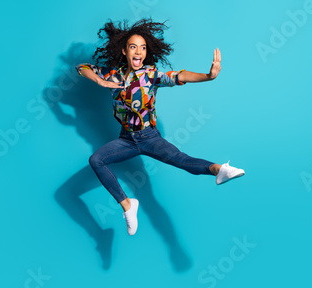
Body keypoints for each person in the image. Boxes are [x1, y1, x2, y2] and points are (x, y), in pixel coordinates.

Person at [76, 18, 245, 236]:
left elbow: (178, 76)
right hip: (126, 140)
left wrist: (209, 76)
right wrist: (101, 81)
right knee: (96, 160)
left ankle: (219, 169)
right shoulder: (113, 75)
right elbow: (82, 67)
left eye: (143, 47)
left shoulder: (150, 75)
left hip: (149, 138)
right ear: (124, 51)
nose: (139, 51)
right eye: (133, 47)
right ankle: (127, 205)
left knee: (182, 161)